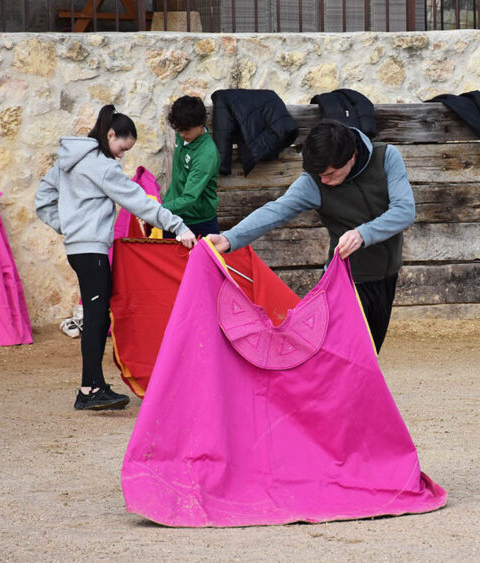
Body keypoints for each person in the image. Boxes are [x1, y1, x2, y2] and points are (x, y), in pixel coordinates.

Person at [35, 104, 196, 410]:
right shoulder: (103, 167)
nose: (122, 155)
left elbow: (42, 201)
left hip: (78, 249)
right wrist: (178, 227)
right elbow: (140, 203)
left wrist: (69, 226)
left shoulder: (67, 162)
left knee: (96, 317)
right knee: (96, 320)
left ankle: (90, 388)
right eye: (122, 147)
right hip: (92, 250)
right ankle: (90, 390)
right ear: (110, 134)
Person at [208, 119, 415, 353]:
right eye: (319, 175)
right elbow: (276, 210)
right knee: (340, 355)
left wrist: (362, 233)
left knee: (371, 350)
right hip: (344, 281)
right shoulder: (313, 181)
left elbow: (404, 211)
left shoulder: (387, 157)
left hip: (387, 277)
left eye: (330, 174)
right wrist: (229, 238)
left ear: (352, 157)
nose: (324, 181)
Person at [162, 95, 221, 239]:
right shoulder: (183, 132)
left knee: (201, 262)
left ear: (201, 124)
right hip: (172, 215)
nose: (181, 135)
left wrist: (157, 210)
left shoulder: (206, 154)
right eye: (179, 129)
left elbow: (189, 198)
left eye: (186, 130)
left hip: (198, 222)